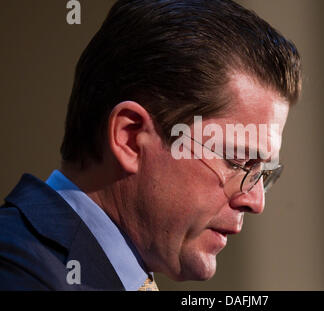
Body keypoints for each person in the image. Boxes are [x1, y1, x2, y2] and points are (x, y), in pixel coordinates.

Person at [0, 0, 301, 290]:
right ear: (130, 138)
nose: (256, 202)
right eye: (237, 161)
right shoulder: (16, 271)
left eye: (264, 171)